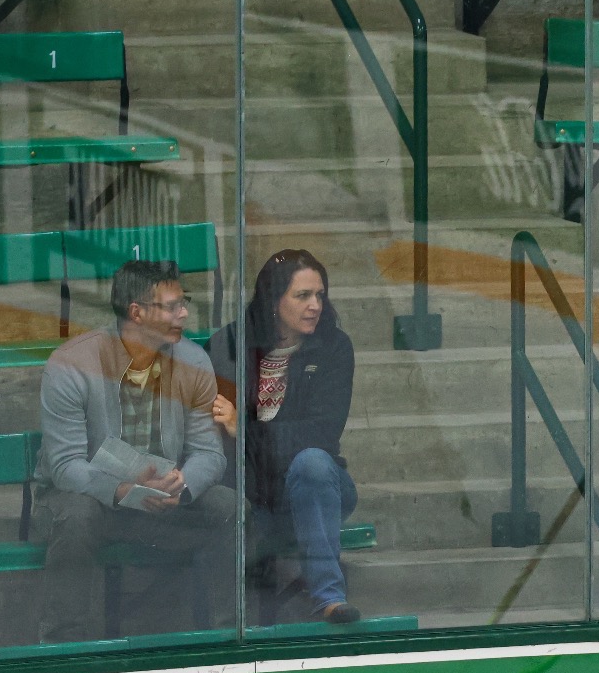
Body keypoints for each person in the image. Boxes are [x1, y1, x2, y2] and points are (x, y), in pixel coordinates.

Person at [35, 259, 236, 643]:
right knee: (77, 514)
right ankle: (62, 647)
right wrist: (122, 490)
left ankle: (226, 638)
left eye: (184, 303)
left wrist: (182, 485)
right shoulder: (72, 364)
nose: (184, 313)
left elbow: (209, 454)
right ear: (137, 313)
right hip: (88, 500)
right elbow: (65, 466)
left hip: (161, 500)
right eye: (172, 306)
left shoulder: (193, 361)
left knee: (229, 506)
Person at [208, 249, 360, 624]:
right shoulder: (229, 345)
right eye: (302, 295)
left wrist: (246, 430)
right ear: (273, 301)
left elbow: (321, 433)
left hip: (315, 486)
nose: (315, 305)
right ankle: (233, 624)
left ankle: (329, 597)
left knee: (311, 461)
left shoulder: (334, 348)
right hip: (251, 488)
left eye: (320, 295)